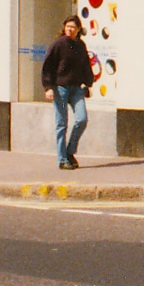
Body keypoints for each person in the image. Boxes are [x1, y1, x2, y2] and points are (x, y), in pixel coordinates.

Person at [41, 15, 92, 170]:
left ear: (78, 30)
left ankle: (70, 151)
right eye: (68, 27)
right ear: (64, 28)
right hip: (60, 88)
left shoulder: (80, 46)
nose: (70, 30)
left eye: (73, 27)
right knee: (61, 124)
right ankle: (62, 160)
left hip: (76, 88)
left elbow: (85, 66)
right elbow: (48, 67)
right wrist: (48, 87)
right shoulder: (58, 44)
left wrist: (88, 84)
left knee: (82, 119)